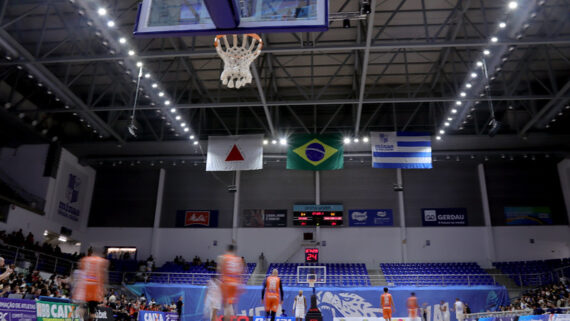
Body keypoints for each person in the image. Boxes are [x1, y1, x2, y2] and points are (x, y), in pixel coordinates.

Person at [73, 248, 109, 321]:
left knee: (82, 307)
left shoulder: (84, 260)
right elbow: (104, 275)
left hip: (84, 288)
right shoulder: (102, 261)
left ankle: (80, 319)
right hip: (94, 290)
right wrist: (105, 287)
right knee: (92, 310)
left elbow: (80, 273)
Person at [218, 244, 244, 321]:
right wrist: (241, 285)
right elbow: (241, 273)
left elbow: (220, 269)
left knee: (226, 306)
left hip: (226, 282)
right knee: (234, 304)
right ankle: (235, 318)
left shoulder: (224, 258)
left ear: (227, 250)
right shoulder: (238, 259)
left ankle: (227, 319)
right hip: (235, 283)